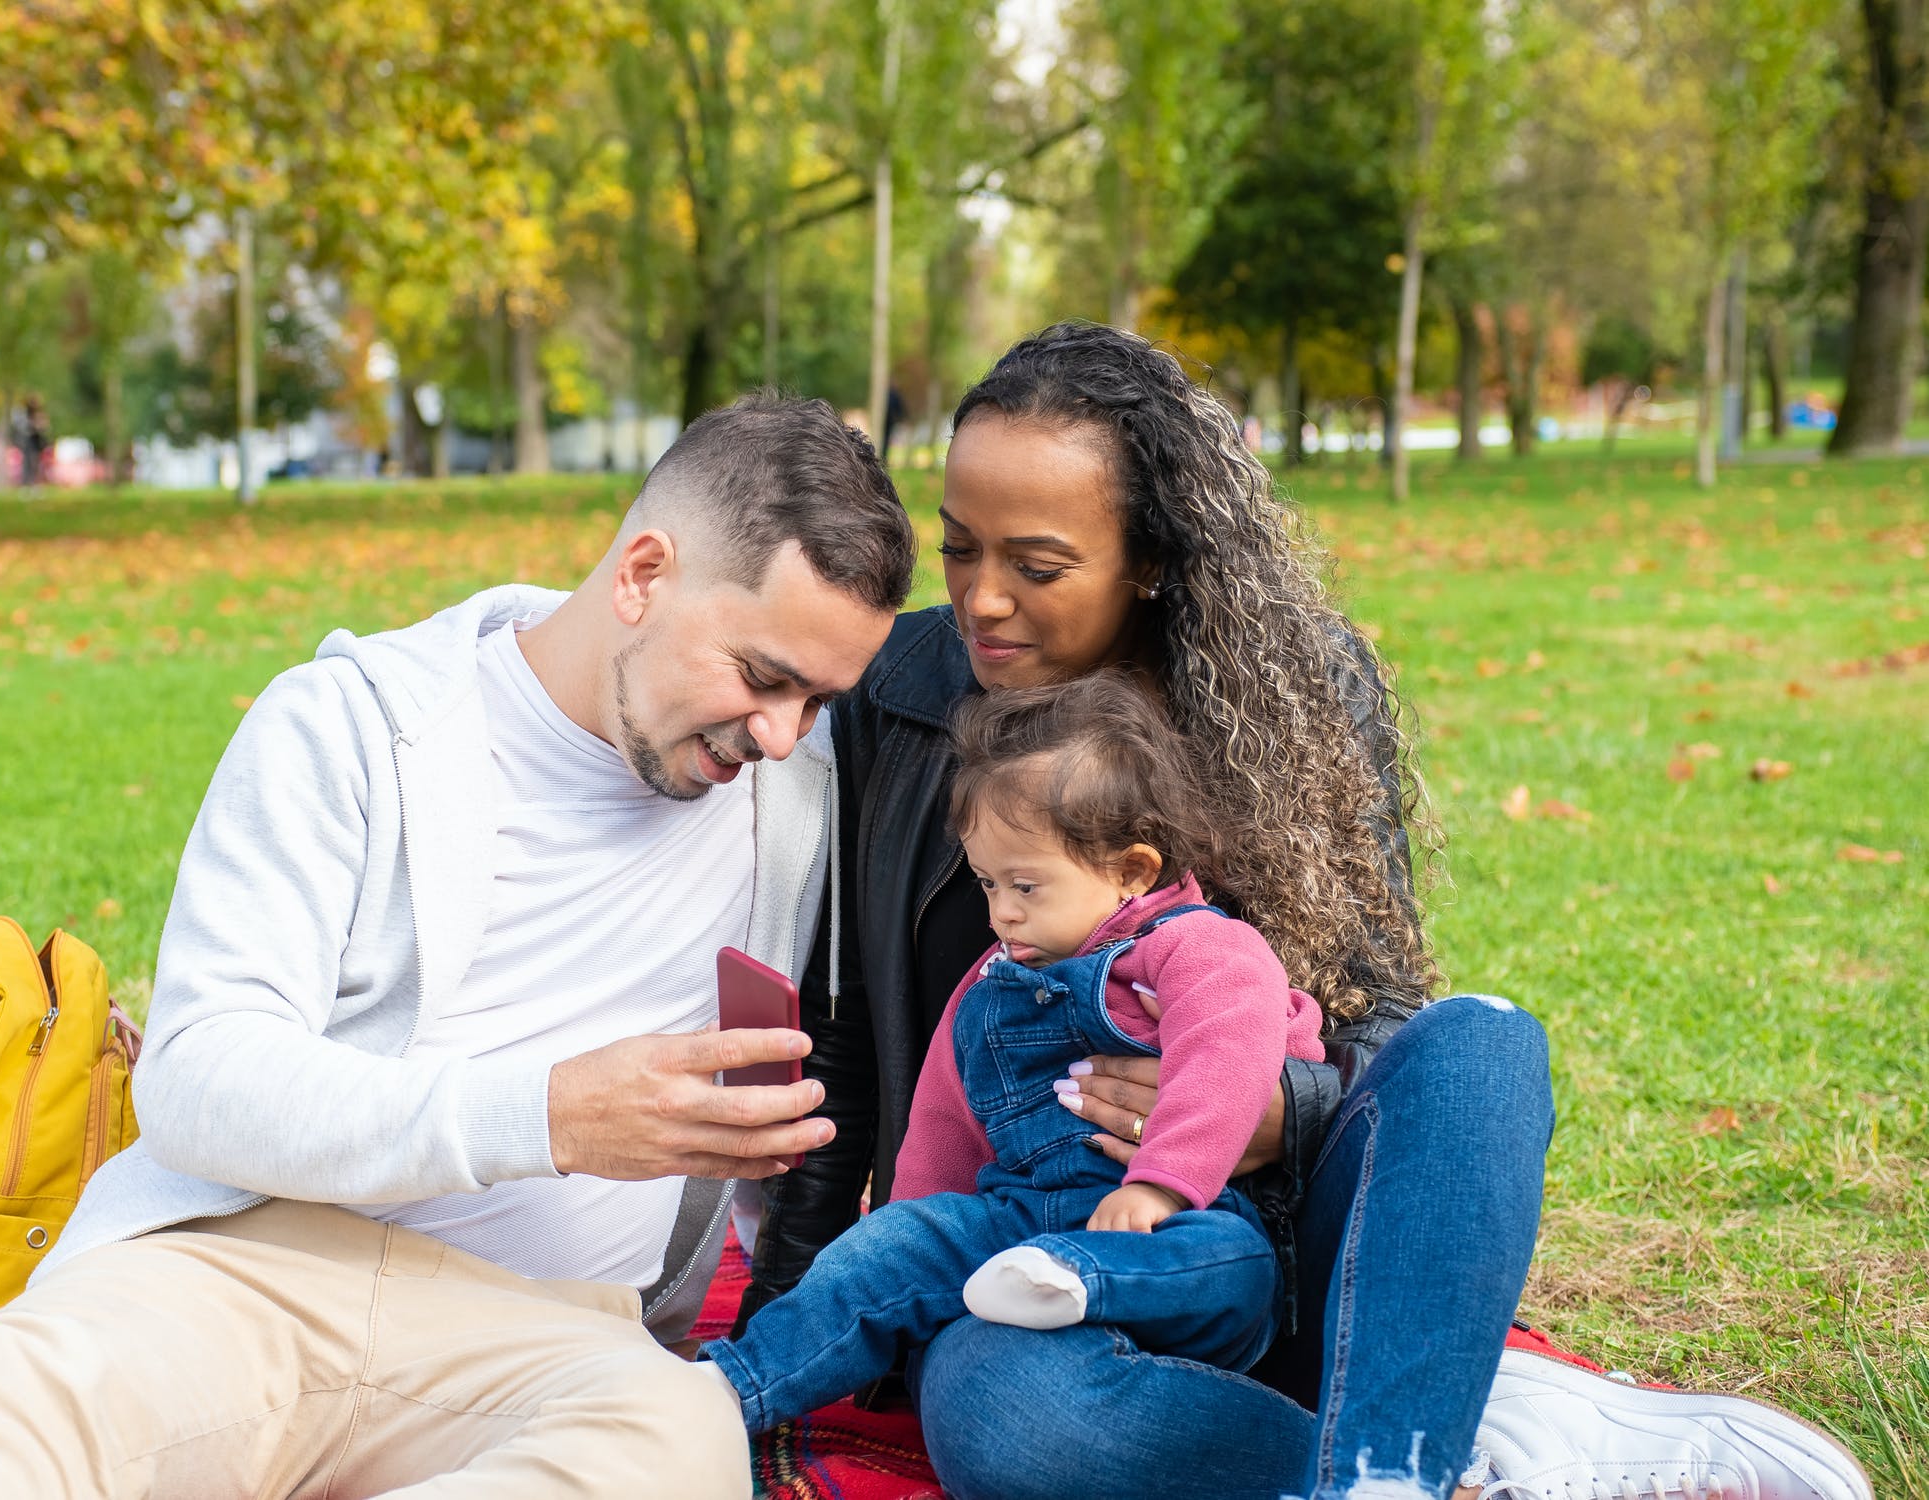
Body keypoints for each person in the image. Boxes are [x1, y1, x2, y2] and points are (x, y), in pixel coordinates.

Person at [741, 323, 1870, 1500]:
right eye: (961, 548)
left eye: (1036, 565)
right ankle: (1435, 1462)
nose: (982, 600)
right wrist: (783, 1331)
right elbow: (846, 1030)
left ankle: (1389, 1443)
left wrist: (1274, 1108)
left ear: (1152, 558)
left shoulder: (1298, 690)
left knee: (1480, 1044)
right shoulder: (901, 695)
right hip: (1031, 1275)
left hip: (1272, 1250)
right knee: (1000, 1420)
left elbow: (1379, 1010)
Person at [0, 394, 919, 1500]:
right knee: (10, 1399)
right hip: (244, 1276)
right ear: (643, 574)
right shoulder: (348, 726)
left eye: (819, 699)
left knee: (681, 1446)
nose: (782, 734)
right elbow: (200, 1079)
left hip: (542, 1343)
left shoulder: (796, 790)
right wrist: (549, 1114)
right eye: (762, 677)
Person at [698, 673, 1326, 1431]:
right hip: (1018, 1221)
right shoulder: (995, 980)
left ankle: (1076, 1280)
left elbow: (1224, 1065)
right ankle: (730, 1390)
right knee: (890, 1248)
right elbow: (941, 1115)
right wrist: (915, 1224)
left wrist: (1159, 1187)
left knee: (1231, 1269)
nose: (1000, 912)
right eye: (987, 882)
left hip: (1178, 1222)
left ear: (1132, 871)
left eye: (1025, 886)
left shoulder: (1199, 948)